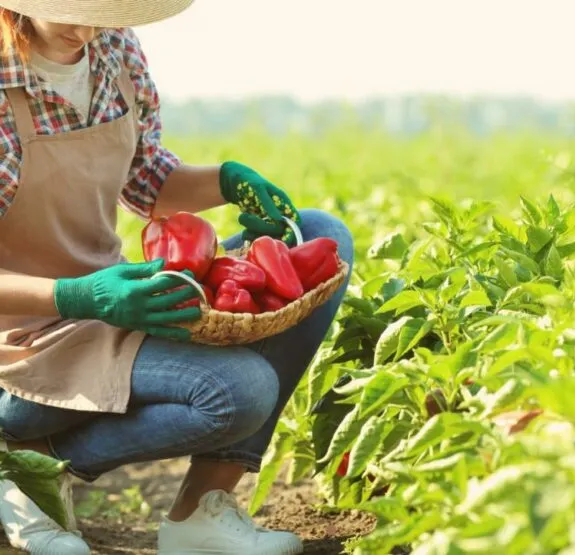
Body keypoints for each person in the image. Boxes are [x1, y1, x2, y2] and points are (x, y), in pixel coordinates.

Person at [0, 0, 354, 553]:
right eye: (67, 9)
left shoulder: (113, 48)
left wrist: (226, 180)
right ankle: (26, 468)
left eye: (101, 10)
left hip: (111, 305)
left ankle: (200, 513)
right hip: (23, 342)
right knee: (238, 392)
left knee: (317, 234)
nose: (84, 28)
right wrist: (78, 294)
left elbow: (148, 182)